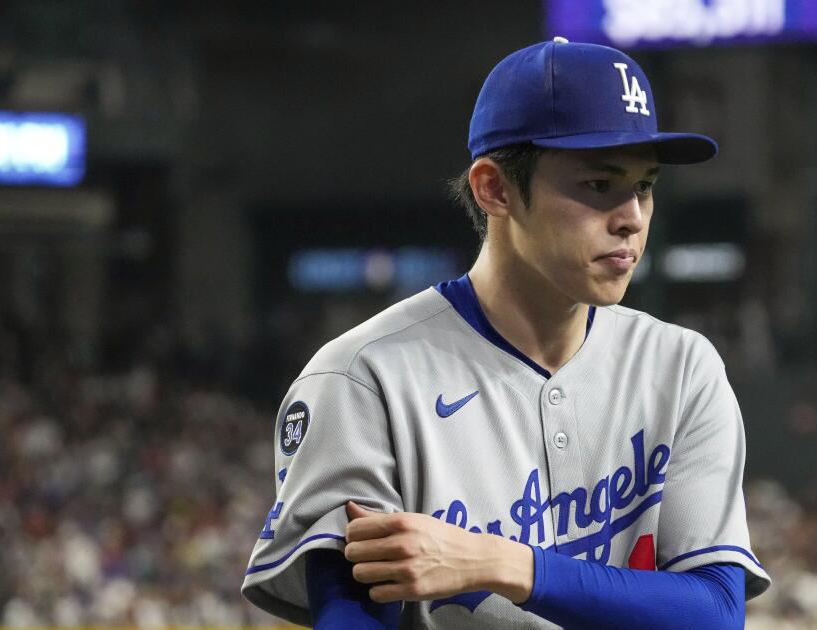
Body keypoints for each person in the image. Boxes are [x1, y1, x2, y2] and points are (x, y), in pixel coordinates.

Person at [241, 36, 771, 629]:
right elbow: (351, 616)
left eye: (644, 185)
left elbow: (715, 613)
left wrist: (502, 563)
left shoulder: (682, 366)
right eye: (599, 185)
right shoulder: (362, 379)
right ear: (493, 188)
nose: (632, 218)